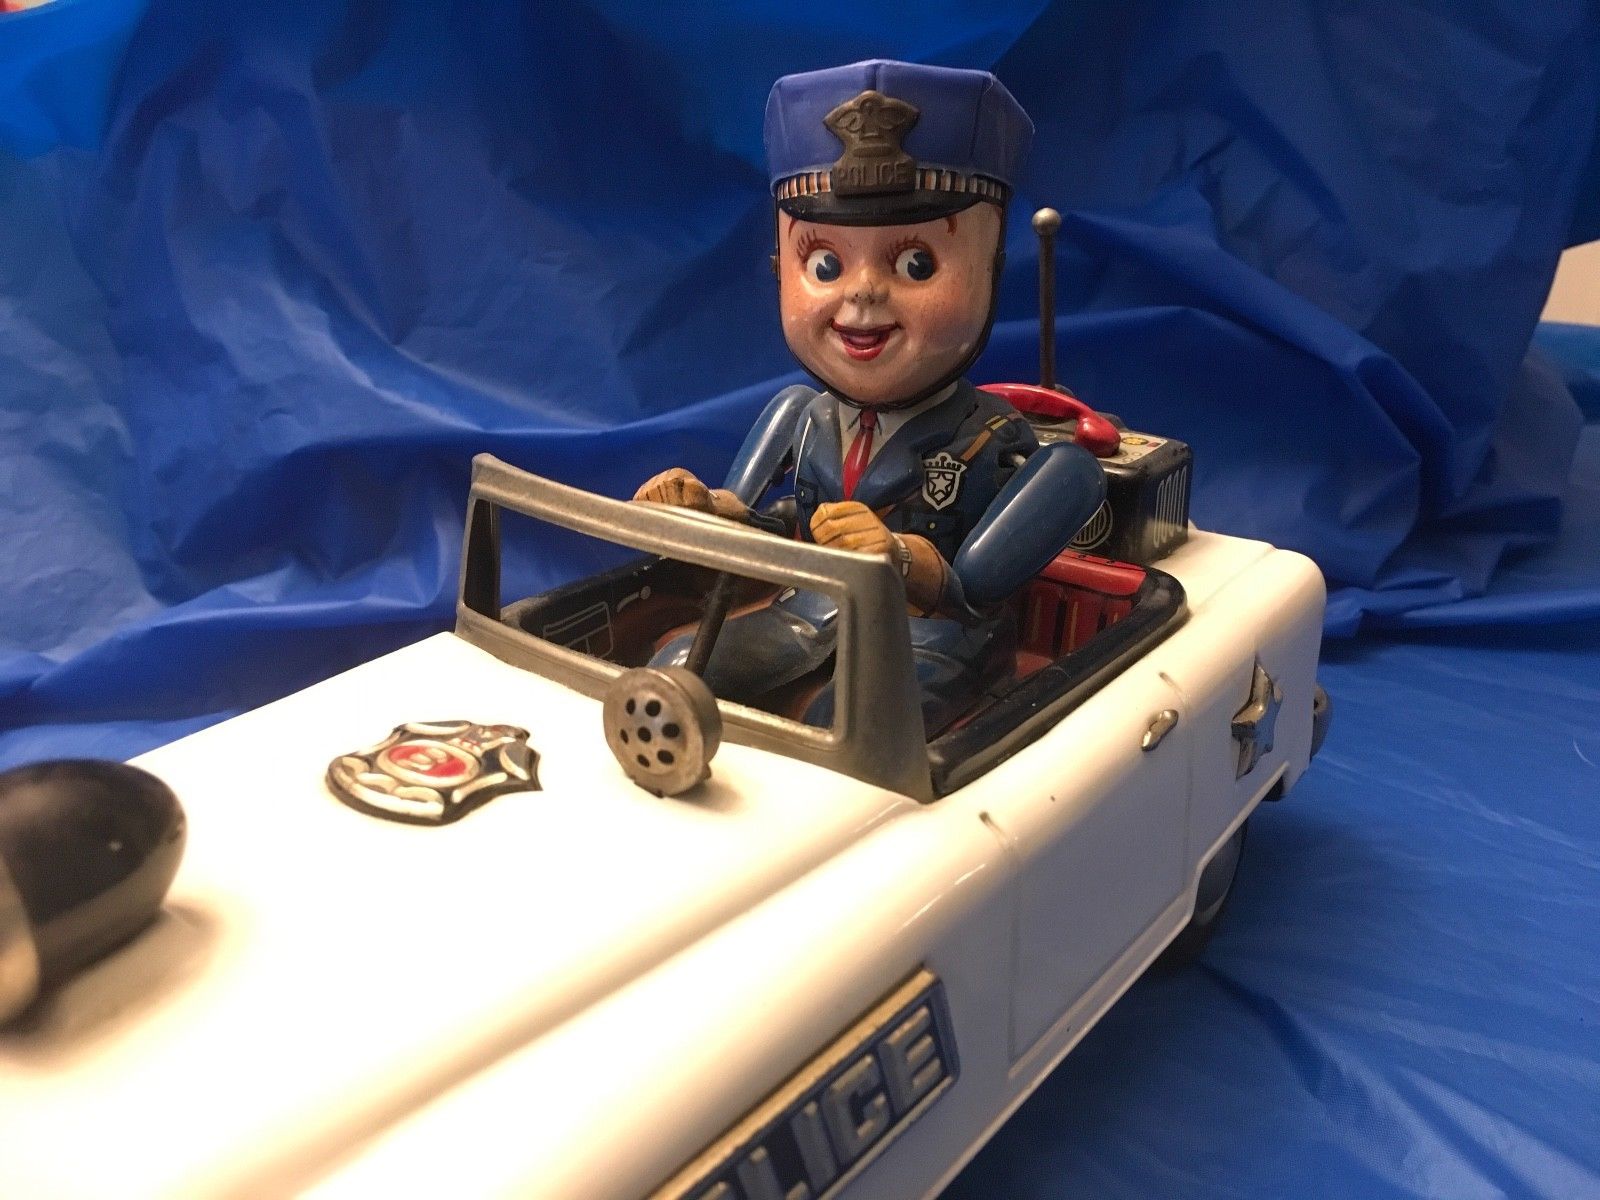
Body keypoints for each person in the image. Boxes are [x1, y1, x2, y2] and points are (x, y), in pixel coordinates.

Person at [635, 60, 1105, 735]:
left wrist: (902, 557)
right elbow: (780, 532)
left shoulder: (992, 439)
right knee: (681, 665)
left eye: (917, 264)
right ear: (779, 269)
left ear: (990, 272)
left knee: (860, 719)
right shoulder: (801, 417)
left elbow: (978, 589)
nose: (861, 293)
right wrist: (707, 509)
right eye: (824, 264)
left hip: (935, 638)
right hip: (807, 611)